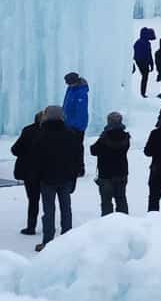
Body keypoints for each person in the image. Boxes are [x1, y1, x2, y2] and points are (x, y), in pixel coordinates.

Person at [31, 104, 83, 251]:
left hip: (47, 179)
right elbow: (77, 156)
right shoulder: (71, 134)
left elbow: (35, 159)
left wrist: (36, 176)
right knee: (66, 208)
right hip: (66, 178)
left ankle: (48, 242)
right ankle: (68, 240)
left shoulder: (41, 135)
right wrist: (75, 173)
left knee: (49, 210)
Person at [90, 111, 131, 216]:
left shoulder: (104, 137)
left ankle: (107, 224)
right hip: (121, 172)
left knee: (106, 201)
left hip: (105, 174)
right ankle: (124, 221)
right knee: (121, 198)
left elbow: (93, 151)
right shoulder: (126, 137)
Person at [10, 110, 42, 236]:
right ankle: (49, 226)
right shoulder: (53, 132)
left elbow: (15, 149)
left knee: (33, 200)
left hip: (30, 172)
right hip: (48, 172)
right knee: (48, 200)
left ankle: (31, 226)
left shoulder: (28, 131)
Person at [62, 71, 89, 174]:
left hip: (77, 125)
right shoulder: (71, 89)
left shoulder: (81, 93)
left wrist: (74, 125)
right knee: (71, 147)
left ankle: (79, 169)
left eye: (68, 82)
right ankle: (72, 167)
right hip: (69, 123)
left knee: (77, 147)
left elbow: (81, 112)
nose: (67, 85)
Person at [134, 27, 156, 97]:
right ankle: (143, 93)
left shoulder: (145, 43)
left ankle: (143, 92)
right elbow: (136, 55)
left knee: (145, 76)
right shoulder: (139, 43)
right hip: (141, 62)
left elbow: (149, 54)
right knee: (145, 76)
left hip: (143, 62)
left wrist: (151, 64)